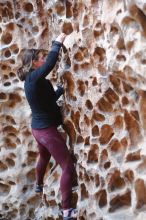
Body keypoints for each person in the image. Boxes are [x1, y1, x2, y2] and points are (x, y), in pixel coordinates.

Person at [17, 33, 77, 220]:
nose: (44, 59)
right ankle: (67, 210)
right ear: (34, 63)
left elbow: (48, 100)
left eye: (43, 56)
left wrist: (60, 90)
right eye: (41, 58)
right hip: (46, 131)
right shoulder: (34, 78)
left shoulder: (33, 81)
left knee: (43, 155)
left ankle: (39, 184)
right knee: (67, 165)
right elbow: (51, 63)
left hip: (38, 129)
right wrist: (57, 42)